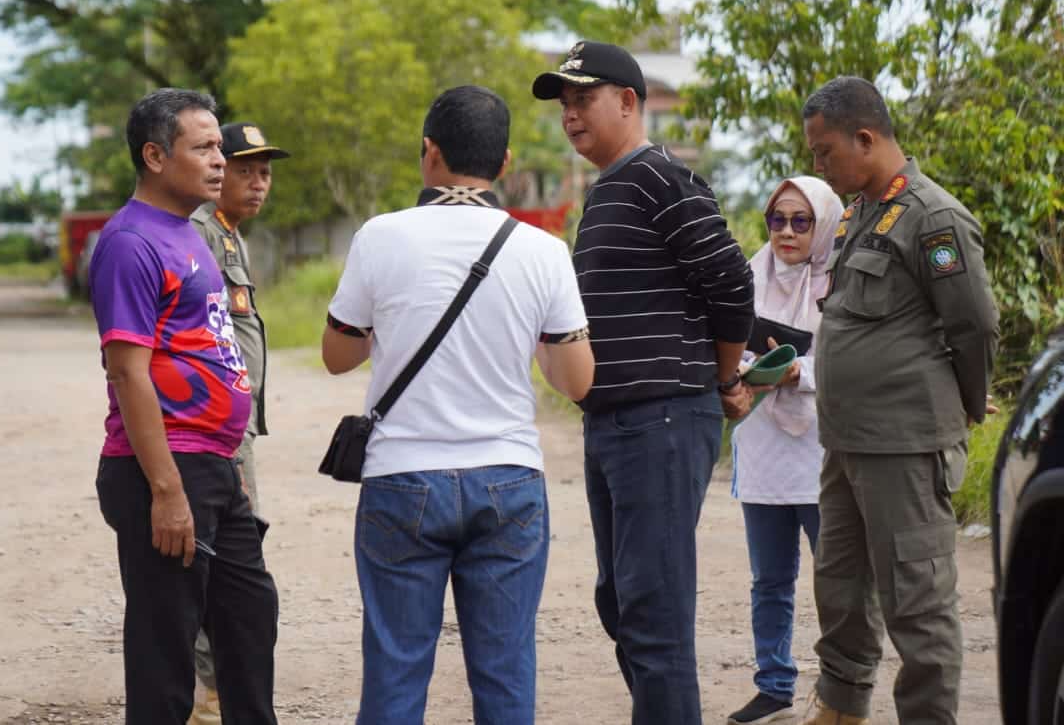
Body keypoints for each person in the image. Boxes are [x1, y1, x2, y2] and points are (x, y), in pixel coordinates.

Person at [322, 85, 594, 725]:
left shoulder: (379, 237)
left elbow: (338, 354)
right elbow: (576, 380)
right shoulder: (544, 251)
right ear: (505, 164)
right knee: (504, 675)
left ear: (429, 153)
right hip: (508, 480)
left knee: (395, 670)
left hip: (401, 480)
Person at [530, 40, 755, 725]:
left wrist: (721, 378)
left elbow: (732, 281)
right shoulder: (607, 190)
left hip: (660, 419)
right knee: (620, 601)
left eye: (583, 100)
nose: (570, 116)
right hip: (614, 424)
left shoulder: (661, 178)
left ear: (629, 102)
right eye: (564, 104)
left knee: (653, 615)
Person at [800, 76, 998, 725]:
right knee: (842, 588)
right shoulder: (864, 211)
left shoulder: (933, 217)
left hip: (906, 444)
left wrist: (966, 407)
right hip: (848, 441)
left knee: (918, 603)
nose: (818, 166)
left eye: (826, 152)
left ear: (866, 137)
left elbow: (974, 325)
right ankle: (841, 707)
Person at [90, 88, 279, 725]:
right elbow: (127, 370)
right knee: (165, 654)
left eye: (219, 147)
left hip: (214, 468)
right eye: (203, 148)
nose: (221, 161)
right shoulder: (129, 242)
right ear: (154, 156)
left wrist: (230, 476)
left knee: (249, 622)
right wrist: (166, 489)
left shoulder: (191, 235)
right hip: (166, 469)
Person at [725, 176, 843, 725]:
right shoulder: (748, 275)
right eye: (777, 220)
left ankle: (841, 690)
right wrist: (738, 374)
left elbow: (856, 362)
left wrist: (801, 370)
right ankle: (773, 685)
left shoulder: (843, 282)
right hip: (763, 444)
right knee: (769, 580)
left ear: (823, 226)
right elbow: (725, 345)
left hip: (823, 451)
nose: (787, 232)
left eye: (801, 221)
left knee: (836, 579)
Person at [185, 122, 289, 725]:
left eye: (265, 171)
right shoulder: (198, 231)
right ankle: (212, 689)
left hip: (235, 427)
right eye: (246, 168)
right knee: (225, 552)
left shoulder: (228, 235)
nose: (257, 182)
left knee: (235, 548)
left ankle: (216, 683)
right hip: (217, 430)